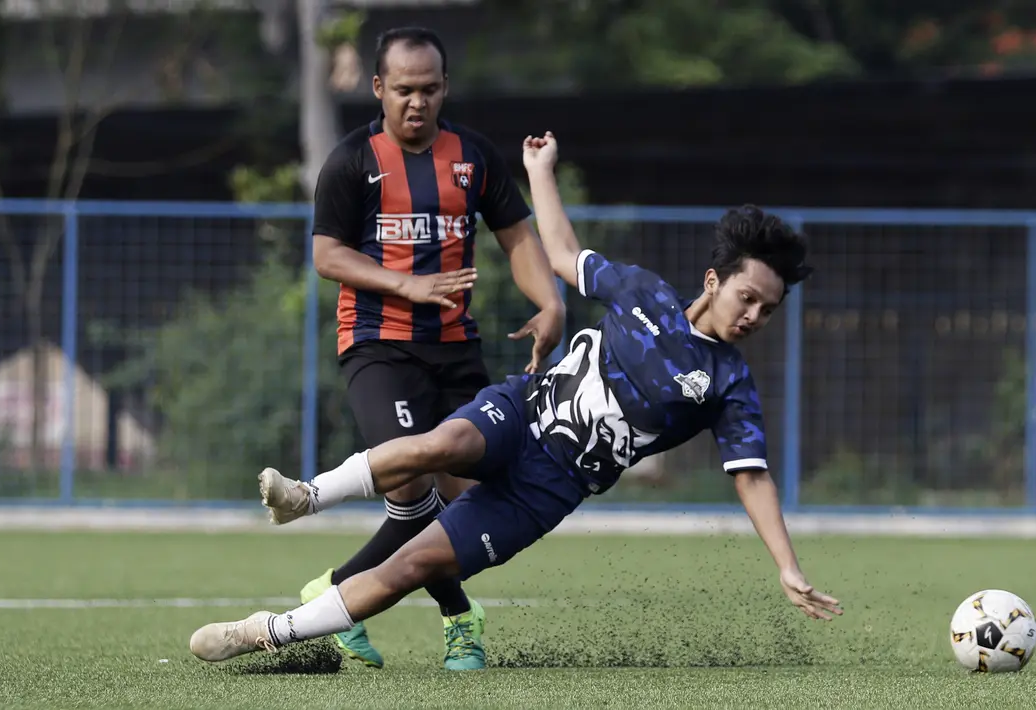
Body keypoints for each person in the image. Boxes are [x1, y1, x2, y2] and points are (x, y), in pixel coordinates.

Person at [189, 131, 843, 665]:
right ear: (713, 280)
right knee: (442, 444)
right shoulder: (641, 292)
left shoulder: (728, 386)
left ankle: (265, 632)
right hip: (524, 410)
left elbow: (751, 477)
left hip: (545, 490)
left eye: (768, 308)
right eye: (746, 297)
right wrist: (540, 169)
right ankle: (306, 496)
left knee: (415, 562)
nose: (754, 314)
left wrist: (786, 566)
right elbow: (559, 252)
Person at [305, 27, 565, 671]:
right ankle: (457, 617)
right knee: (409, 479)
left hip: (456, 351)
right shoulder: (351, 161)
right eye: (402, 91)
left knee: (464, 496)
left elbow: (518, 238)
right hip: (376, 347)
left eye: (427, 89)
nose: (416, 102)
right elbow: (325, 254)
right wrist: (406, 284)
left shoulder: (472, 158)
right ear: (378, 89)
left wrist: (551, 303)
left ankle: (335, 590)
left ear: (444, 87)